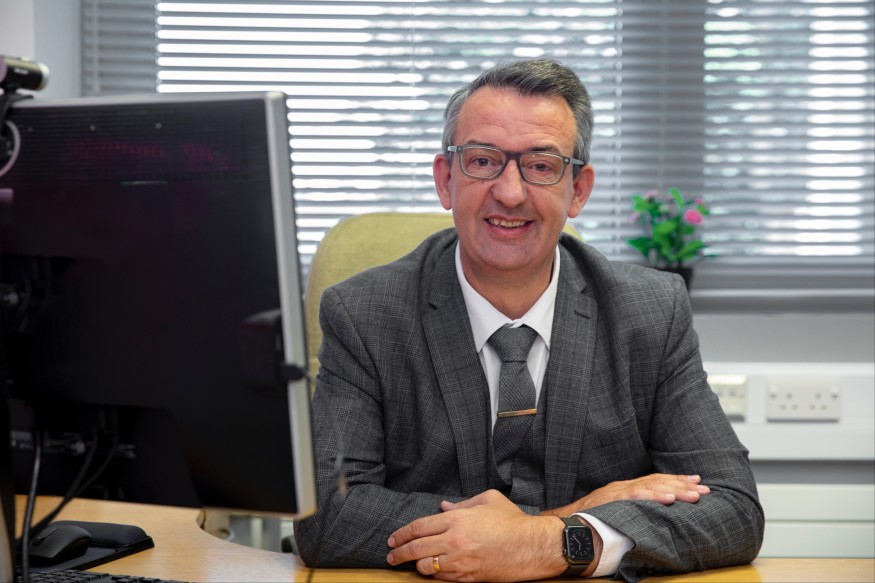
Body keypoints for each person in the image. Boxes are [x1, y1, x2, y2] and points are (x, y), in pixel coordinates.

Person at [294, 58, 764, 582]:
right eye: (483, 161)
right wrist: (564, 519)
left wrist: (548, 543)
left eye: (541, 166)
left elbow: (733, 508)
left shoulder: (650, 312)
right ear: (446, 180)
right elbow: (328, 517)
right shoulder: (365, 314)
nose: (511, 192)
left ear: (578, 189)